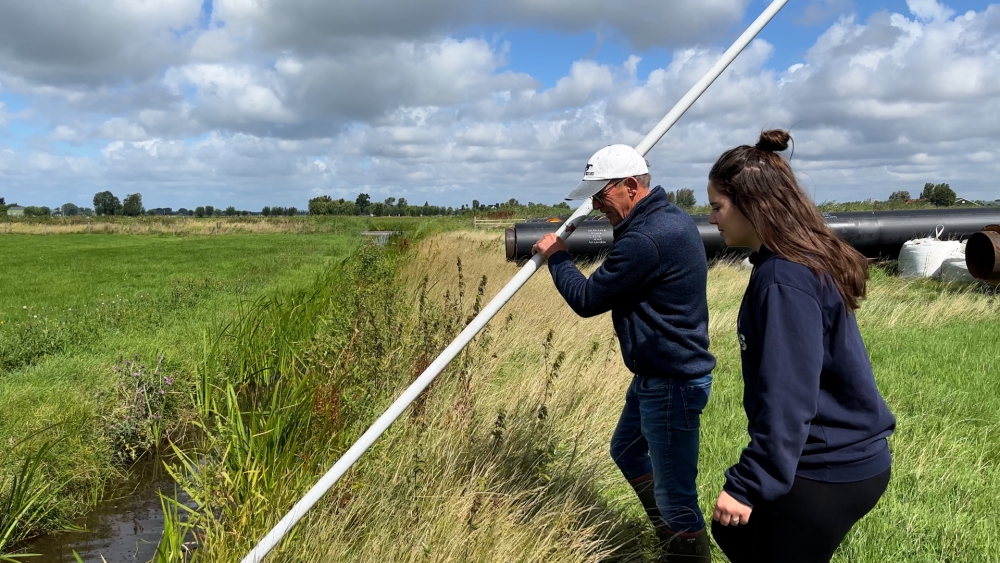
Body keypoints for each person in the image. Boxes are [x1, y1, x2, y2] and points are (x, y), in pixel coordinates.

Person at [706, 130, 896, 563]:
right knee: (735, 537)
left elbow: (789, 397)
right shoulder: (794, 262)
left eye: (718, 206)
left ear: (753, 205)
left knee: (740, 534)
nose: (713, 219)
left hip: (827, 466)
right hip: (845, 459)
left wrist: (747, 483)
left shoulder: (784, 278)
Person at [533, 144, 717, 562]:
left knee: (677, 495)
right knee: (627, 450)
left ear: (631, 186)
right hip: (659, 374)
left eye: (601, 196)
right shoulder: (664, 219)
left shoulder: (648, 237)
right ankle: (668, 536)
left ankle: (681, 548)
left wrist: (557, 258)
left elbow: (587, 299)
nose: (597, 207)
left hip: (672, 381)